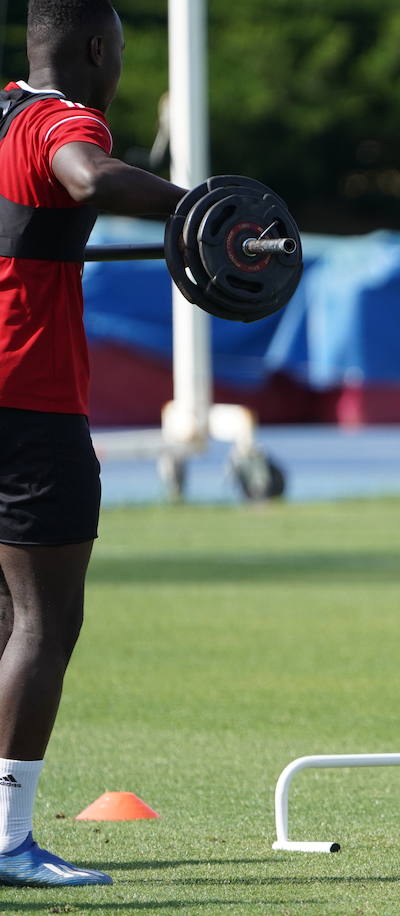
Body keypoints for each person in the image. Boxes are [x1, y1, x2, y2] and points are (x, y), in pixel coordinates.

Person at [0, 0, 185, 887]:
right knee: (46, 621)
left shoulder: (1, 113)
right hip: (29, 409)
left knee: (4, 622)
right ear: (97, 48)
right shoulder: (64, 121)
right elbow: (89, 179)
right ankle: (6, 843)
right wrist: (198, 210)